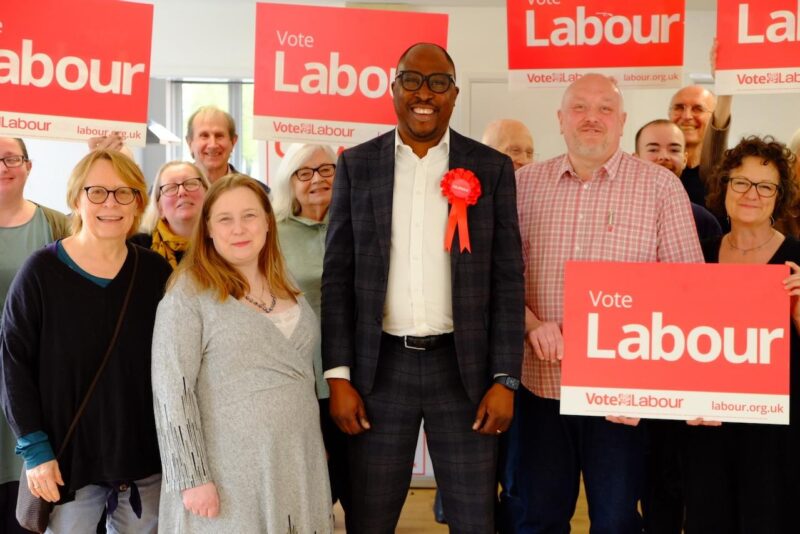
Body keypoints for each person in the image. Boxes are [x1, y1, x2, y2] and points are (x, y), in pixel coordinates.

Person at [321, 42, 525, 533]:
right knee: (369, 518)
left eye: (438, 83)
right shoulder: (357, 165)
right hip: (377, 372)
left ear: (454, 94)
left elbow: (507, 279)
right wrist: (338, 376)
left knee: (476, 518)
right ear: (393, 90)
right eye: (411, 80)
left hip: (466, 373)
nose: (424, 93)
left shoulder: (491, 168)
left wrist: (505, 378)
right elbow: (338, 277)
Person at [514, 74, 703, 533]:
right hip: (539, 387)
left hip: (622, 397)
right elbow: (498, 280)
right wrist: (530, 321)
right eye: (579, 107)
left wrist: (656, 385)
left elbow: (689, 291)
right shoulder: (522, 185)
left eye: (604, 109)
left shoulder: (661, 188)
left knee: (617, 522)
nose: (591, 118)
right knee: (535, 519)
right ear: (560, 119)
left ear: (622, 122)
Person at [0, 149, 171, 533]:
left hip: (144, 462)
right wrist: (35, 452)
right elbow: (13, 366)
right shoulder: (40, 272)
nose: (110, 203)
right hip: (66, 464)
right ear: (76, 199)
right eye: (96, 192)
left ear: (138, 202)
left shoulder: (155, 272)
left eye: (123, 192)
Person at [151, 174, 333, 533]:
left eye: (249, 216)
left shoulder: (286, 284)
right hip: (226, 473)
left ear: (268, 221)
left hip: (296, 463)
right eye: (225, 219)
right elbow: (172, 389)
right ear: (207, 229)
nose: (239, 229)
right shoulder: (187, 295)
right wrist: (192, 477)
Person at [682, 136, 799, 533]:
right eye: (741, 182)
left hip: (774, 434)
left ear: (779, 196)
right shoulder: (698, 254)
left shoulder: (798, 259)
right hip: (707, 425)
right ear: (725, 186)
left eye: (765, 185)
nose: (752, 193)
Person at [271, 143, 351, 522]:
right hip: (298, 374)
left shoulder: (358, 223)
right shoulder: (272, 234)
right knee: (310, 484)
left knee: (357, 481)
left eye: (326, 169)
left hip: (357, 373)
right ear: (291, 183)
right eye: (305, 172)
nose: (317, 178)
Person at [0, 137, 70, 534]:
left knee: (28, 508)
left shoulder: (56, 224)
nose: (3, 166)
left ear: (28, 166)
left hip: (32, 382)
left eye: (11, 158)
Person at [634, 119, 722, 240]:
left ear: (685, 159)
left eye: (674, 150)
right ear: (635, 159)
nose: (664, 157)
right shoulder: (616, 213)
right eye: (653, 149)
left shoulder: (703, 221)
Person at [131, 161, 210, 268]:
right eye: (171, 188)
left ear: (208, 194)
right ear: (160, 207)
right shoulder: (136, 247)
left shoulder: (224, 241)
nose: (182, 192)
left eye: (191, 183)